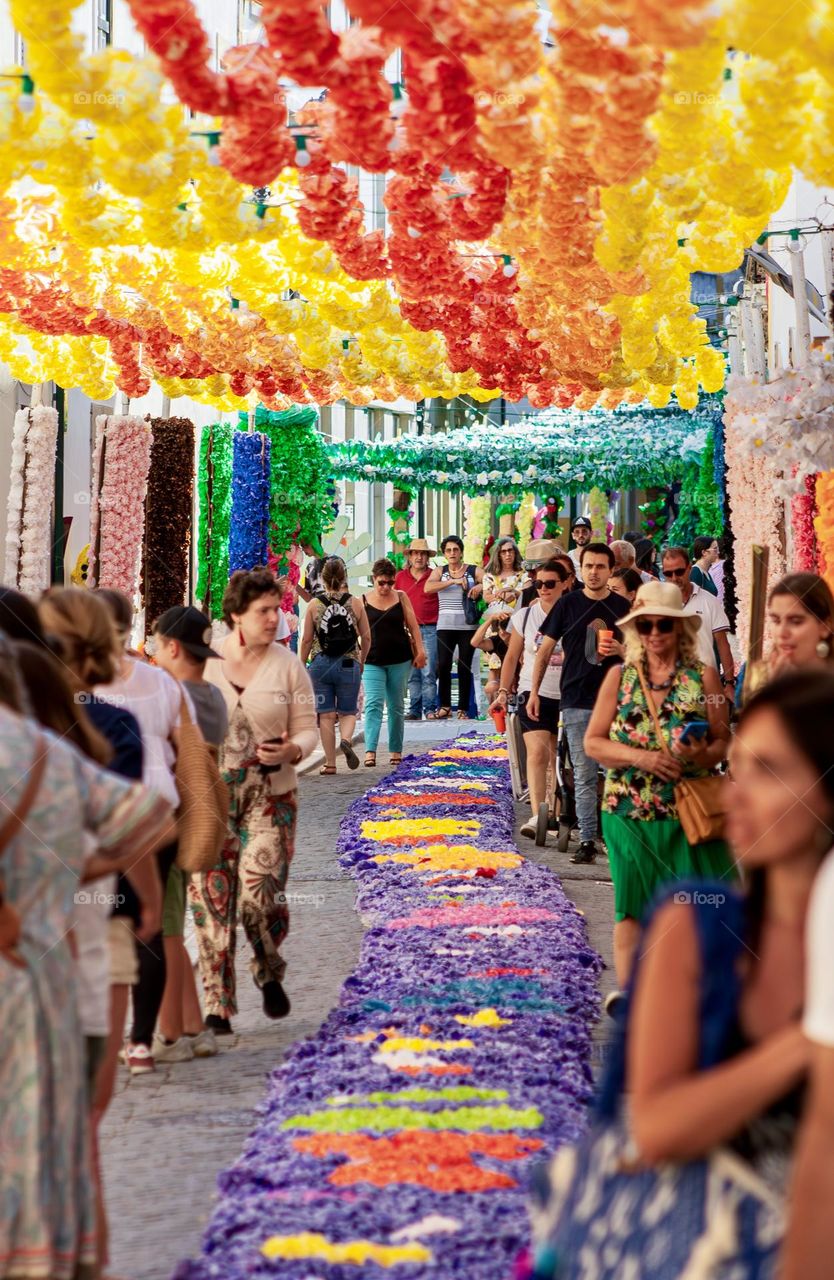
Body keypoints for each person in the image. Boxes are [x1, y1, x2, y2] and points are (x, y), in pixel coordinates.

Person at [537, 671, 834, 1276]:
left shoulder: (697, 680)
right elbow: (655, 1126)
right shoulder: (698, 924)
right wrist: (809, 1044)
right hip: (683, 1239)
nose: (737, 795)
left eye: (770, 772)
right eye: (739, 768)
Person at [0, 646, 174, 1280]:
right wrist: (79, 865)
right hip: (41, 980)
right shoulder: (46, 751)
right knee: (47, 1138)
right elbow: (149, 815)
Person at [584, 581, 733, 992]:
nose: (653, 634)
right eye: (644, 625)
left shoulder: (702, 676)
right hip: (627, 813)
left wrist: (697, 753)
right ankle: (632, 1001)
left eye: (662, 625)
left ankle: (689, 993)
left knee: (696, 907)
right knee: (629, 910)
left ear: (679, 629)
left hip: (687, 813)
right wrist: (644, 757)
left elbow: (723, 741)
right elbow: (593, 742)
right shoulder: (620, 677)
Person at [202, 567, 317, 1028]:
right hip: (211, 797)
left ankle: (267, 967)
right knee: (211, 899)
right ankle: (216, 1005)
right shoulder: (207, 662)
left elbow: (309, 731)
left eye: (276, 609)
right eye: (263, 611)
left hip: (272, 795)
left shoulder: (289, 665)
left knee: (259, 896)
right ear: (236, 616)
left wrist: (292, 749)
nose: (274, 619)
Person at [149, 605, 231, 1059]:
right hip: (196, 818)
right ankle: (192, 1025)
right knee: (171, 927)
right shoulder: (212, 696)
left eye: (157, 646)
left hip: (172, 819)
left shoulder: (170, 695)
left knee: (164, 931)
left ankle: (174, 1031)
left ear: (173, 647)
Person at [527, 542, 630, 864]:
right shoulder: (567, 604)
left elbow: (642, 654)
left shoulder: (623, 607)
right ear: (580, 570)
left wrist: (622, 653)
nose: (595, 572)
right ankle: (587, 840)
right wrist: (533, 692)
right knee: (583, 774)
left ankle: (615, 839)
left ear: (611, 570)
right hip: (575, 700)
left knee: (615, 774)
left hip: (616, 701)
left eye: (601, 566)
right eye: (589, 566)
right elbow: (544, 651)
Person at [490, 559, 569, 837]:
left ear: (565, 584)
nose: (544, 589)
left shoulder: (576, 613)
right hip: (532, 692)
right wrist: (502, 690)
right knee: (537, 754)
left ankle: (557, 815)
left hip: (568, 694)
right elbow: (511, 657)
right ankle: (538, 816)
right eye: (538, 584)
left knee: (558, 759)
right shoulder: (524, 616)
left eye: (550, 584)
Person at [300, 556, 370, 774]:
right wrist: (362, 660)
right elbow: (367, 637)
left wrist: (302, 664)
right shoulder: (355, 602)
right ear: (344, 578)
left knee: (326, 715)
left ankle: (330, 764)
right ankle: (346, 740)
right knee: (348, 712)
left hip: (320, 664)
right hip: (349, 663)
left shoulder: (314, 605)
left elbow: (306, 640)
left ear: (322, 579)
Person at [361, 557, 427, 767]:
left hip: (400, 658)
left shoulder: (400, 597)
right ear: (374, 579)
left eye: (390, 583)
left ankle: (395, 750)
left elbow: (414, 626)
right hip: (372, 660)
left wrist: (421, 650)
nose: (386, 587)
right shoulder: (362, 599)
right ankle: (370, 750)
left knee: (397, 706)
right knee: (373, 705)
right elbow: (357, 632)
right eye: (382, 583)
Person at [737, 572, 834, 704]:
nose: (782, 632)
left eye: (795, 621)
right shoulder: (755, 675)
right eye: (776, 621)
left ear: (824, 626)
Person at [425, 535, 483, 719]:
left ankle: (463, 709)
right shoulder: (440, 571)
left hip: (467, 625)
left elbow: (489, 581)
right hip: (445, 625)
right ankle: (445, 706)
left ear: (461, 552)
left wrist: (479, 587)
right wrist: (452, 581)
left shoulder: (472, 570)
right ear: (444, 553)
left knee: (464, 666)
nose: (452, 553)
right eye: (448, 550)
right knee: (443, 665)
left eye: (455, 549)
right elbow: (428, 588)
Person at [661, 544, 735, 690]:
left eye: (679, 571)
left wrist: (730, 684)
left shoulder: (709, 601)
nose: (674, 578)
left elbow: (722, 644)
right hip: (669, 687)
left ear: (689, 568)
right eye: (668, 574)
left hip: (706, 685)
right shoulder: (657, 604)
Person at [394, 538, 439, 721]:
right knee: (412, 672)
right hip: (407, 630)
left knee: (428, 670)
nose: (419, 557)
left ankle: (429, 708)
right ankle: (414, 709)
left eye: (423, 554)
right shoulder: (400, 577)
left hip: (430, 627)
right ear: (410, 556)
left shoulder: (434, 575)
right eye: (415, 553)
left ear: (427, 557)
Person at [483, 537, 525, 613]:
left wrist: (515, 593)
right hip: (496, 618)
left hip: (519, 616)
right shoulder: (490, 576)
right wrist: (503, 596)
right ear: (498, 555)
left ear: (515, 553)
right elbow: (486, 597)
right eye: (503, 551)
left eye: (510, 550)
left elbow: (529, 595)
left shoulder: (524, 573)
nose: (508, 554)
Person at [567, 516, 592, 581]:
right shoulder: (568, 557)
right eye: (577, 532)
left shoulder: (597, 554)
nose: (580, 535)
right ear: (573, 535)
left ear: (591, 534)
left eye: (584, 531)